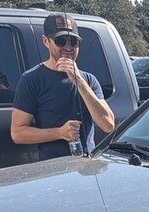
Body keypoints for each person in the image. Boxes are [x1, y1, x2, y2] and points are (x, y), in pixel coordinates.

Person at [10, 13, 114, 159]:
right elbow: (17, 133)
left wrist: (79, 81)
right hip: (53, 168)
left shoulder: (89, 80)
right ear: (46, 41)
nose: (68, 47)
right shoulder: (31, 79)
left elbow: (108, 125)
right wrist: (60, 133)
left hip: (87, 166)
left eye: (74, 41)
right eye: (60, 41)